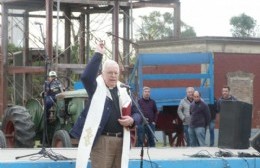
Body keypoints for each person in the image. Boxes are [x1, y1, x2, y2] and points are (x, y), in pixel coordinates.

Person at [70, 42, 142, 168]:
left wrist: (132, 120)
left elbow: (138, 114)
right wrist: (98, 54)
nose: (113, 75)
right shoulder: (96, 88)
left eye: (116, 73)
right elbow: (86, 77)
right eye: (110, 72)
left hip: (122, 142)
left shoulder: (124, 91)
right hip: (102, 142)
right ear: (102, 73)